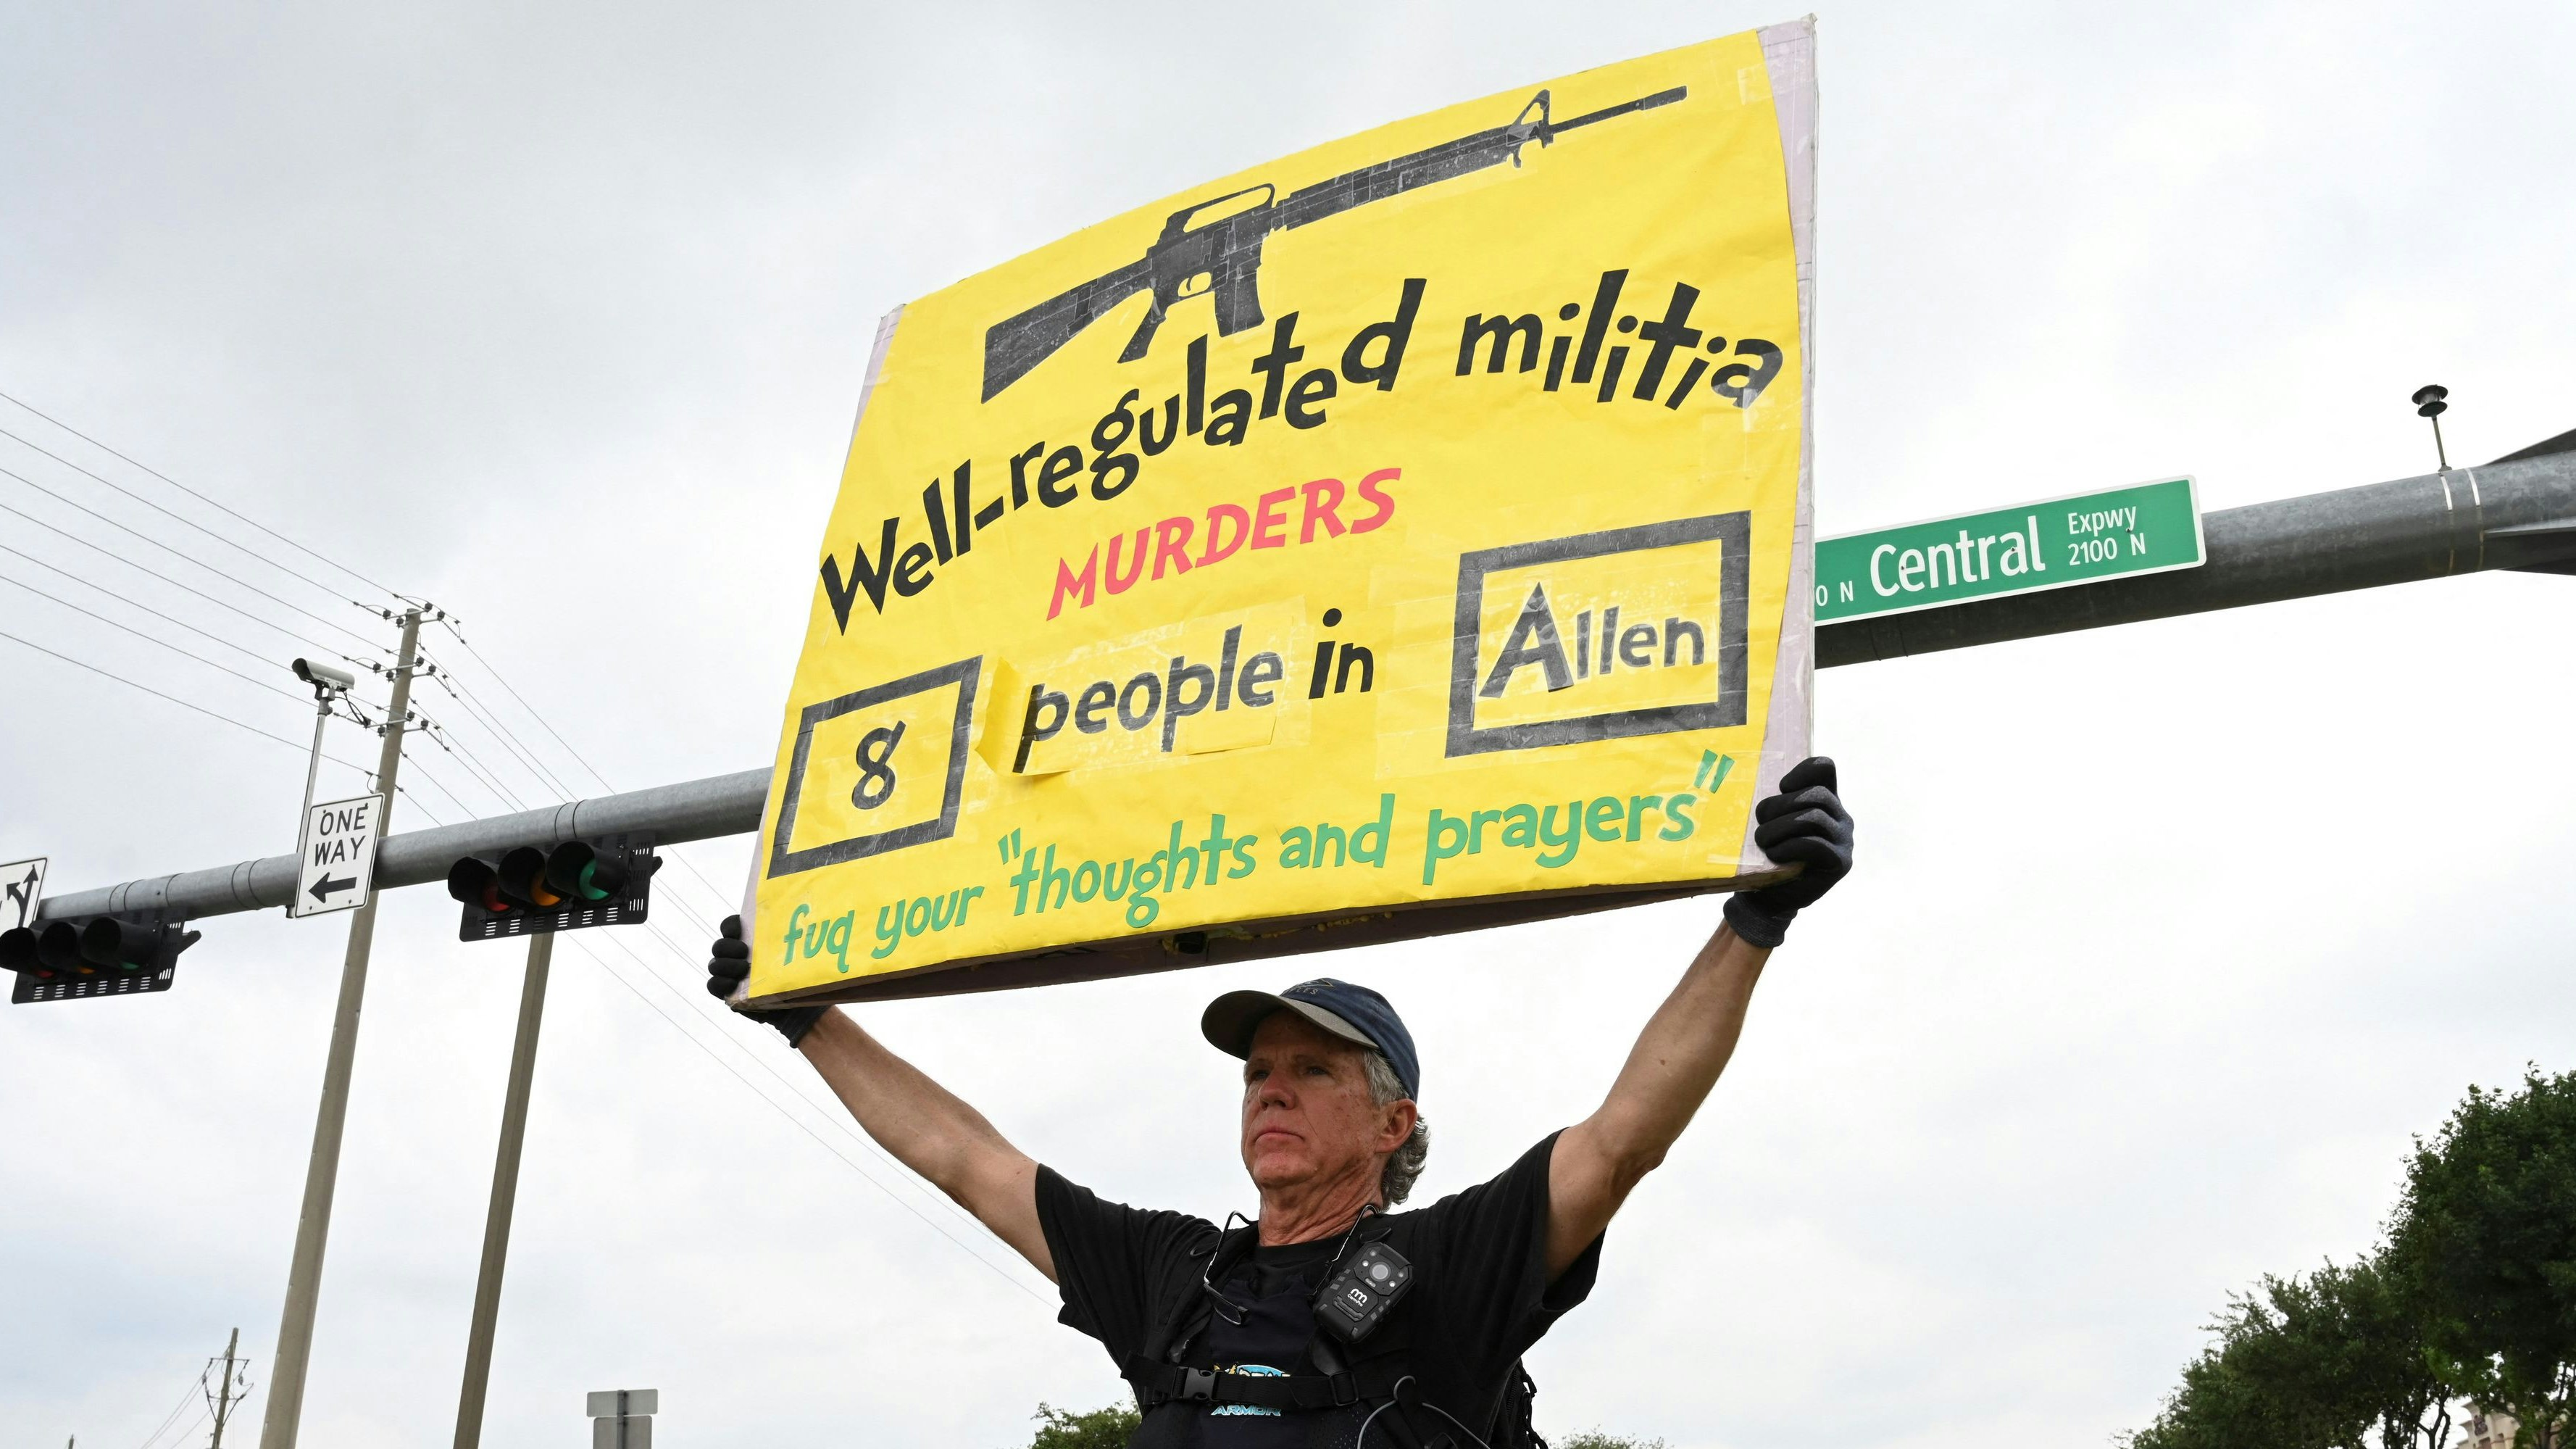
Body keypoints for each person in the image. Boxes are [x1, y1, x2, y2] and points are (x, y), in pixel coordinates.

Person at [706, 757, 1854, 1447]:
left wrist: (1757, 920)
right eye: (1259, 1071)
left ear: (1394, 1121)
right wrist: (809, 1021)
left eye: (1313, 1071)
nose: (1272, 1092)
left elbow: (1619, 1144)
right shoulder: (1172, 1277)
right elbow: (965, 1158)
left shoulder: (1451, 1265)